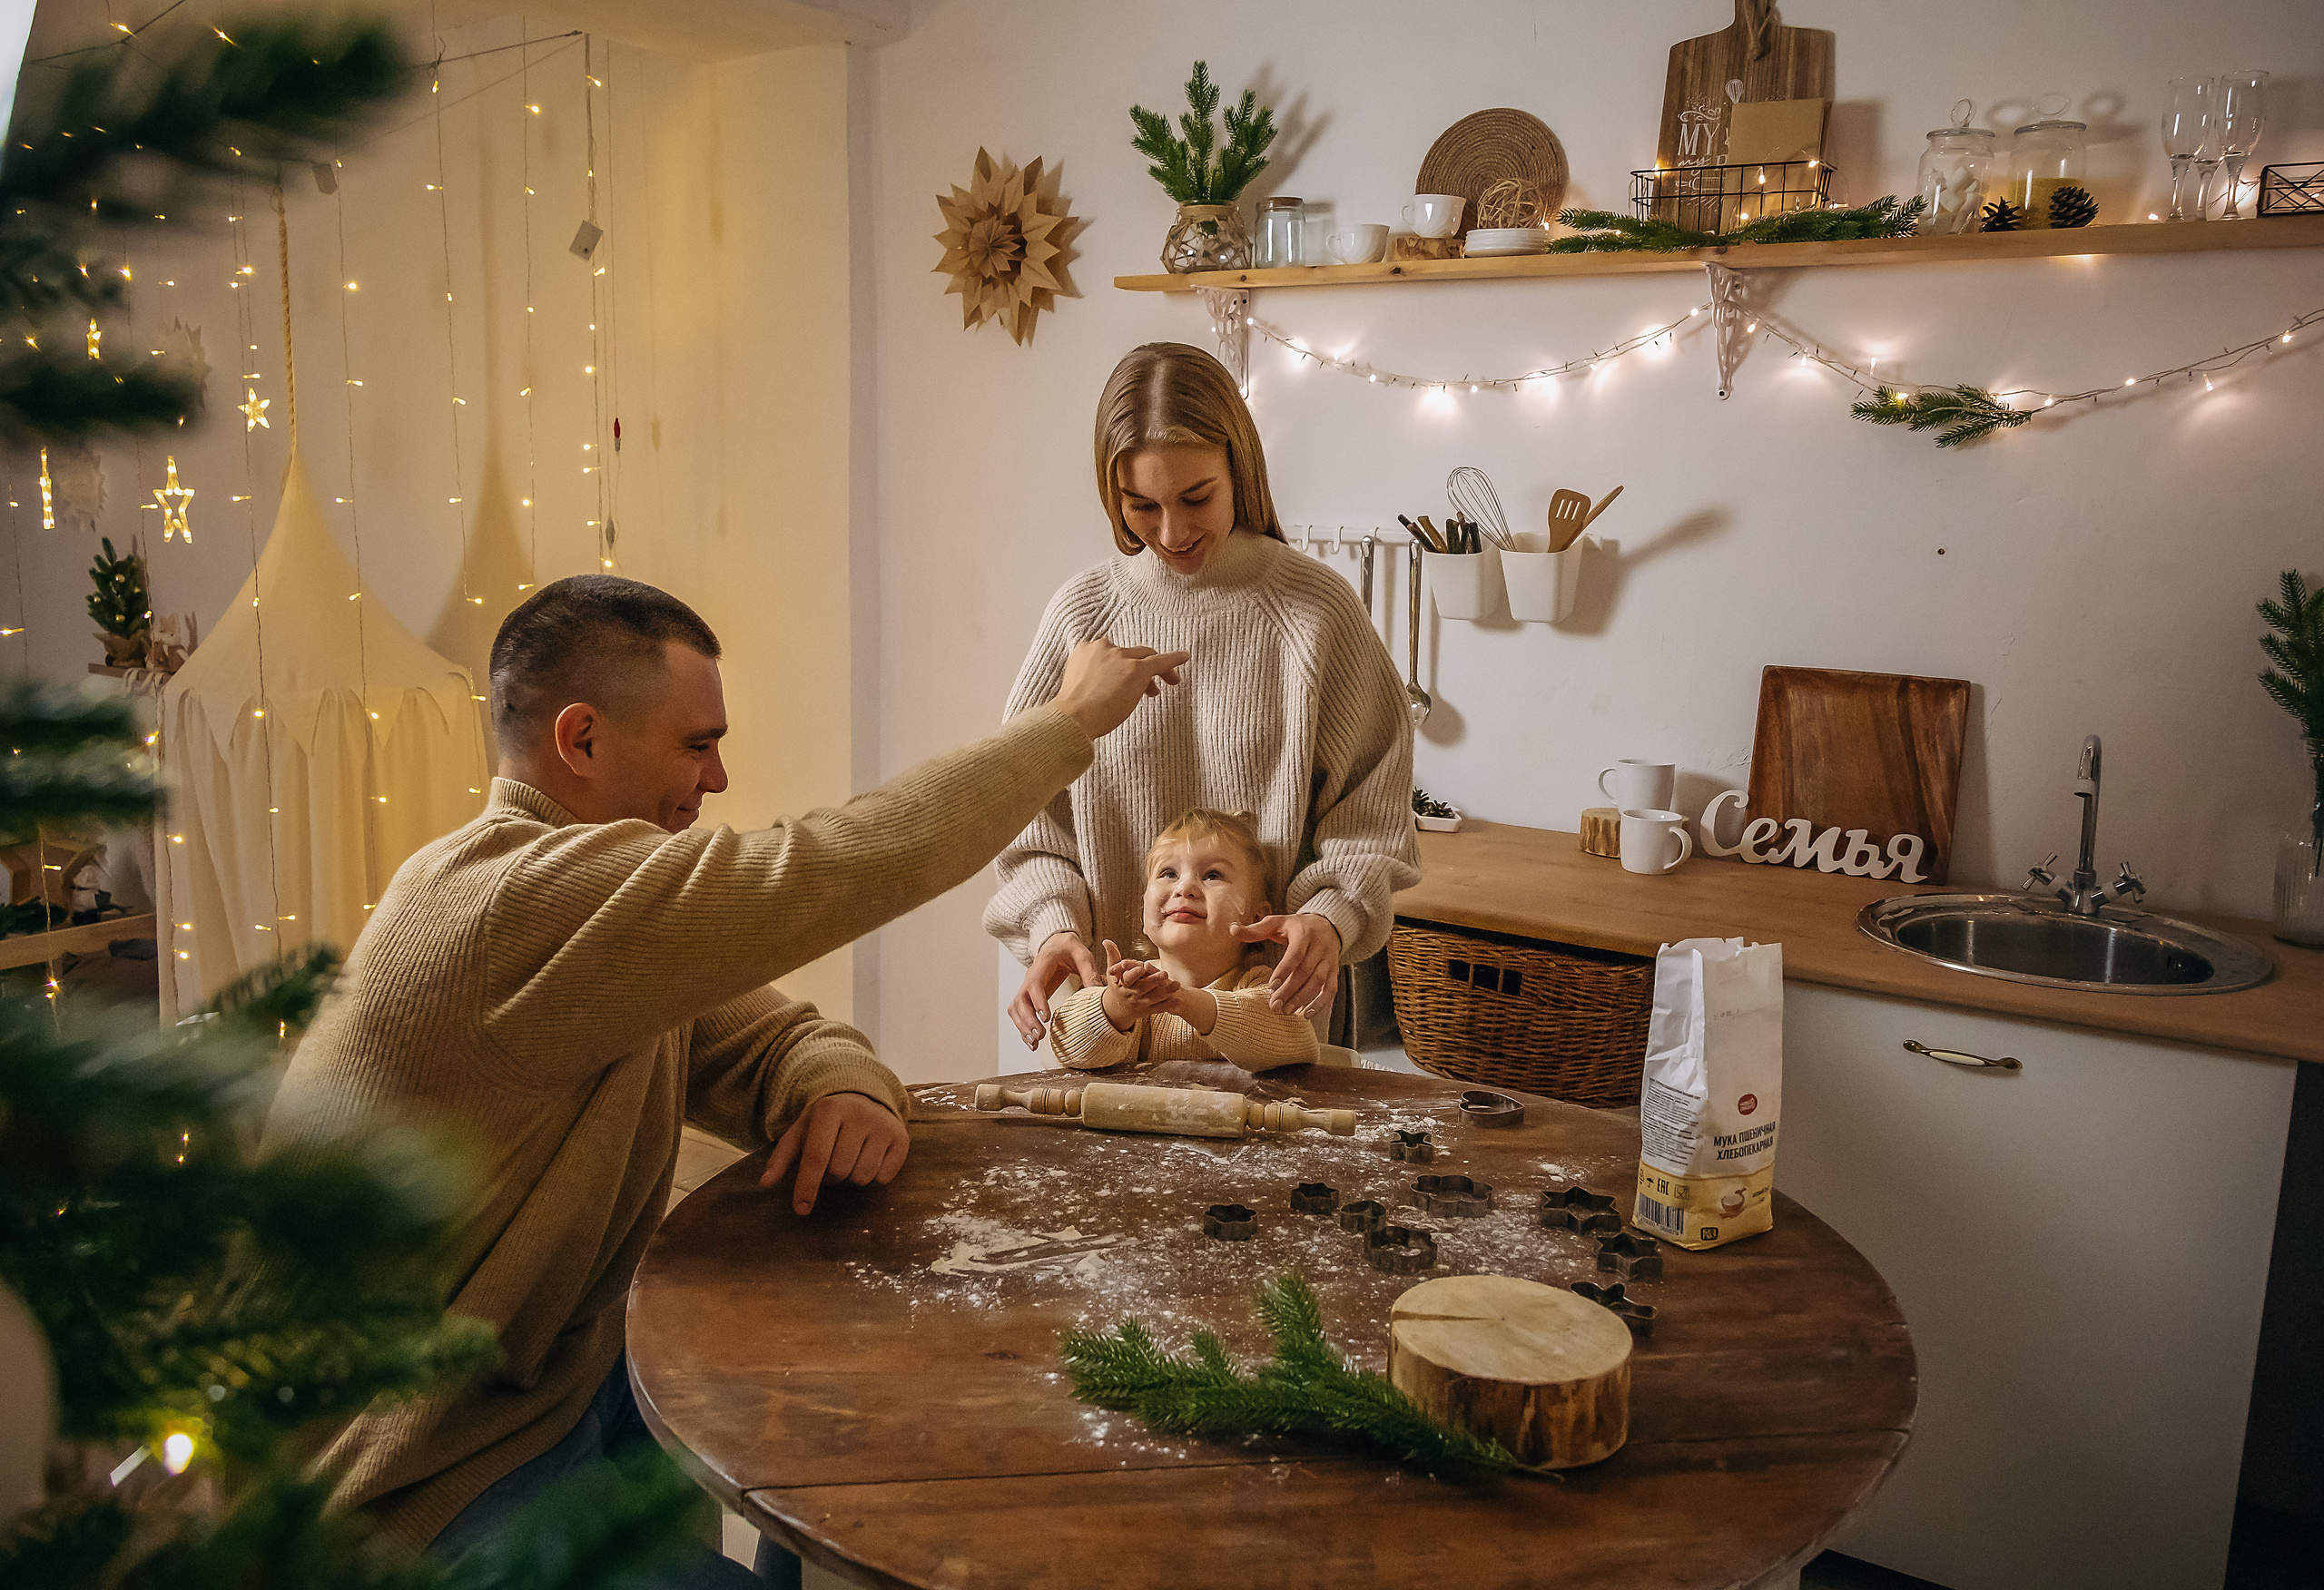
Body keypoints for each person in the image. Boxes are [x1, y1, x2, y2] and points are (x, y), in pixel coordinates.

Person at [262, 575, 1186, 1587]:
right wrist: (1064, 724)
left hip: (561, 1381)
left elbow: (773, 1035)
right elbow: (828, 865)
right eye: (695, 744)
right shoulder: (512, 904)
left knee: (827, 1442)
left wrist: (844, 1088)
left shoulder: (600, 912)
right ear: (581, 741)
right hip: (416, 1477)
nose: (717, 776)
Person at [986, 342, 1418, 1052]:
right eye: (1141, 507)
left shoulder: (1314, 615)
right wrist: (1053, 924)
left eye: (1196, 498)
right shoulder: (1080, 617)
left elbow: (1371, 815)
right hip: (1109, 1030)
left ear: (1239, 470)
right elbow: (1024, 815)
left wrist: (1332, 917)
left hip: (1271, 1027)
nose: (1172, 532)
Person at [1047, 808, 1322, 1073]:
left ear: (1256, 917)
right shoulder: (1130, 988)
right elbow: (1065, 1040)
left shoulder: (1258, 984)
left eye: (1213, 875)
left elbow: (1296, 1039)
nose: (1184, 888)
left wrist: (1182, 1000)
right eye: (1169, 873)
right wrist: (1114, 1008)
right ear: (1144, 907)